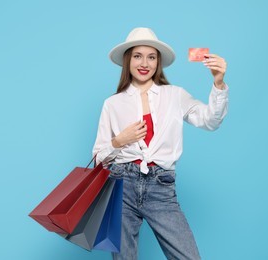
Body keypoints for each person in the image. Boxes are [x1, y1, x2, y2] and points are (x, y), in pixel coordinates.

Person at [92, 27, 229, 260]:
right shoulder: (112, 104)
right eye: (137, 56)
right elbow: (97, 159)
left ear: (158, 62)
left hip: (161, 187)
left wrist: (218, 83)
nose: (144, 63)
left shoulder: (175, 95)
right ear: (128, 60)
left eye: (151, 57)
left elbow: (210, 121)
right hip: (121, 185)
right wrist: (118, 141)